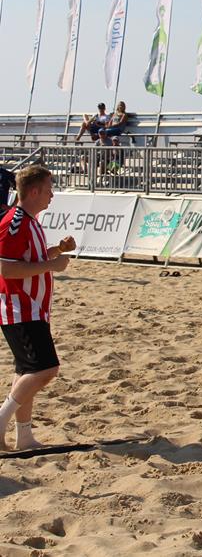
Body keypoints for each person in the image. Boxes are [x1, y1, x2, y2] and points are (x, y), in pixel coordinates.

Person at [0, 165, 76, 450]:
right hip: (20, 307)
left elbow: (30, 258)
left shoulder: (29, 221)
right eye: (48, 189)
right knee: (46, 369)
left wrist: (57, 250)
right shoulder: (16, 221)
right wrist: (52, 265)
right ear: (33, 192)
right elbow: (6, 269)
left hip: (31, 307)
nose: (51, 195)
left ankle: (24, 436)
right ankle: (2, 419)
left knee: (26, 372)